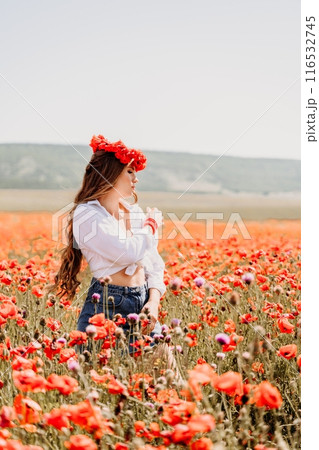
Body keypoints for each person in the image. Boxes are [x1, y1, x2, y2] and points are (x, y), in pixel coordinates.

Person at [47, 134, 166, 357]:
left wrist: (154, 302)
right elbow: (129, 252)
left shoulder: (134, 212)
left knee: (165, 382)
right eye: (129, 171)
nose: (136, 179)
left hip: (143, 305)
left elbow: (154, 264)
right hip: (107, 307)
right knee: (96, 383)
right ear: (110, 174)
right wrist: (150, 226)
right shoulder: (87, 214)